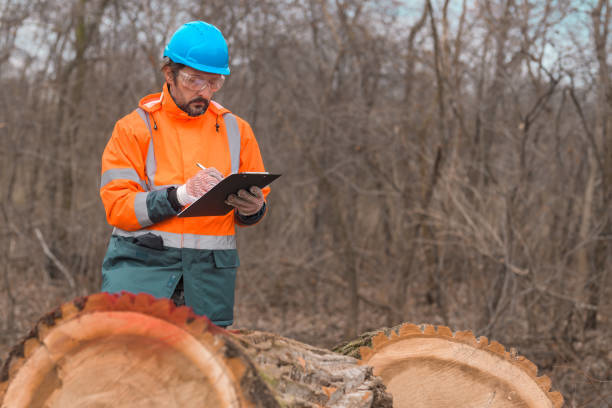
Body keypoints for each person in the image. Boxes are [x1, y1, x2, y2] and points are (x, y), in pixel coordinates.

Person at [99, 21, 269, 328]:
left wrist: (254, 209)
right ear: (169, 74)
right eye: (194, 80)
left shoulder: (237, 131)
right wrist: (180, 196)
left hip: (208, 283)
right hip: (142, 276)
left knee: (205, 372)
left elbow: (254, 201)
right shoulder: (134, 128)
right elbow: (118, 206)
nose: (203, 92)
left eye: (214, 82)